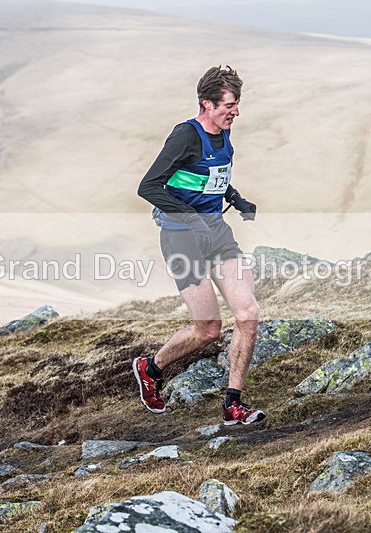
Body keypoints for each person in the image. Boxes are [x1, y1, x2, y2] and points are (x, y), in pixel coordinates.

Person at [134, 65, 265, 425]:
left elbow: (212, 177)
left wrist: (237, 200)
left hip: (217, 233)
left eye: (236, 104)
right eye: (229, 105)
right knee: (208, 329)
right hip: (181, 237)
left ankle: (233, 405)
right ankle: (151, 368)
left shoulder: (224, 135)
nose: (235, 111)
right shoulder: (184, 137)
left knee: (247, 314)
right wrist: (190, 218)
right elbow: (148, 187)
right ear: (206, 104)